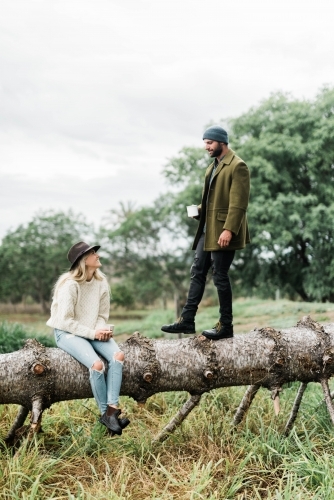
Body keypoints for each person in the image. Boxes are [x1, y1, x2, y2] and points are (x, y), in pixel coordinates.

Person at [161, 125, 250, 340]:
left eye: (209, 142)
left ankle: (226, 325)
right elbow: (213, 202)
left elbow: (238, 204)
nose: (206, 147)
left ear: (222, 142)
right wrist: (198, 211)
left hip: (224, 231)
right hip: (207, 230)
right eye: (205, 143)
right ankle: (187, 320)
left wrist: (229, 229)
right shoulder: (212, 168)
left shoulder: (238, 166)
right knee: (197, 271)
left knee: (220, 276)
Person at [47, 241, 129, 436]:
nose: (97, 256)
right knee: (97, 365)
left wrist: (101, 329)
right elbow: (65, 321)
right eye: (93, 253)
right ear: (83, 260)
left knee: (118, 356)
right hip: (67, 333)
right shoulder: (70, 285)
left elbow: (102, 315)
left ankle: (112, 409)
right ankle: (106, 416)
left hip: (91, 331)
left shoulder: (101, 282)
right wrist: (93, 333)